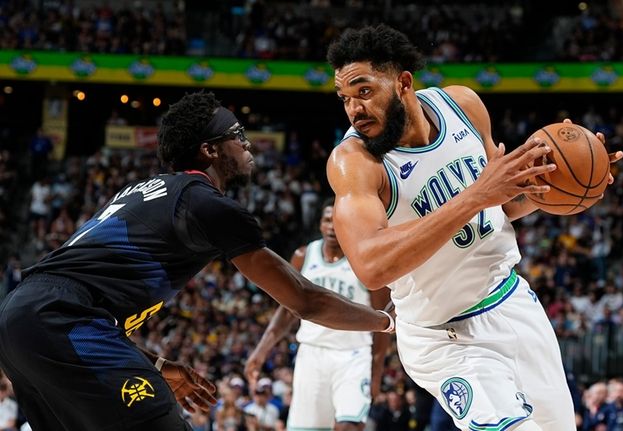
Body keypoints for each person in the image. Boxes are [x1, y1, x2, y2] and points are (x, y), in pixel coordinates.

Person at [0, 91, 395, 431]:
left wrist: (159, 366)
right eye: (238, 136)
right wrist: (384, 320)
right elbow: (305, 300)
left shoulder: (141, 190)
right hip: (59, 318)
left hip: (19, 319)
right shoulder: (207, 203)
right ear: (210, 149)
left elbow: (86, 309)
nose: (248, 145)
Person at [325, 25, 622, 431]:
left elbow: (497, 206)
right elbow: (371, 264)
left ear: (403, 82)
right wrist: (475, 196)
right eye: (345, 99)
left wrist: (553, 187)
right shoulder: (355, 162)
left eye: (364, 91)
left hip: (514, 304)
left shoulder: (462, 105)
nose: (354, 110)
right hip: (442, 337)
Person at [245, 197, 391, 431]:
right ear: (320, 224)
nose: (332, 226)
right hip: (311, 354)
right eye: (326, 220)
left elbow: (384, 322)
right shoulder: (304, 255)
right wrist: (260, 352)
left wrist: (376, 374)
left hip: (353, 356)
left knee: (349, 425)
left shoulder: (365, 260)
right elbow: (286, 311)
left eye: (337, 220)